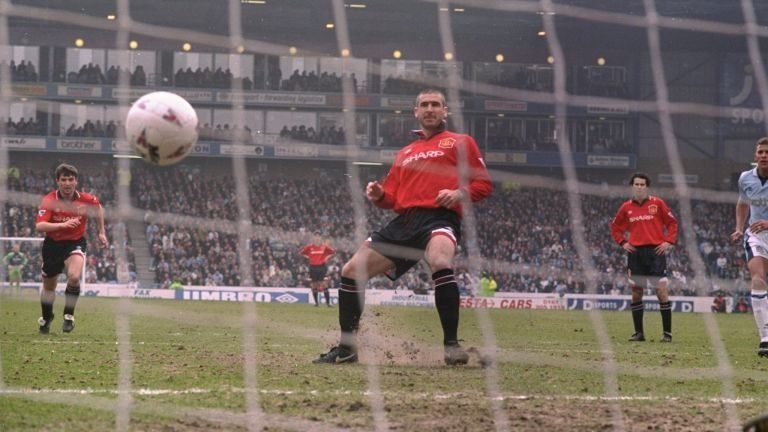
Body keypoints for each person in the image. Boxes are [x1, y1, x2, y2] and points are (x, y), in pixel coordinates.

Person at [313, 89, 492, 365]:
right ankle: (347, 348)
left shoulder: (461, 142)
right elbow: (393, 200)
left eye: (435, 105)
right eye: (424, 105)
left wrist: (458, 194)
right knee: (351, 271)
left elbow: (483, 184)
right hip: (405, 222)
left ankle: (451, 346)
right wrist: (379, 196)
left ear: (446, 111)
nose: (430, 109)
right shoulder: (405, 153)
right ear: (416, 112)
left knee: (440, 261)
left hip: (440, 218)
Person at [35, 163, 107, 334]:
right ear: (57, 182)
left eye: (71, 179)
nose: (67, 183)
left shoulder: (87, 199)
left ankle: (68, 316)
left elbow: (98, 209)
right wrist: (64, 224)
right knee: (49, 288)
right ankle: (46, 317)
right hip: (52, 246)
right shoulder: (49, 200)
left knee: (74, 277)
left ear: (76, 181)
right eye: (64, 179)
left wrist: (102, 232)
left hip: (75, 243)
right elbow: (40, 226)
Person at [610, 172, 678, 343]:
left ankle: (667, 334)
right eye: (637, 184)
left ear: (647, 187)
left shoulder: (658, 203)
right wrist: (623, 242)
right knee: (636, 292)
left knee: (661, 291)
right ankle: (639, 333)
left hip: (656, 252)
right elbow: (616, 227)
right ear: (632, 186)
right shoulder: (626, 207)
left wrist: (668, 241)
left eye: (642, 184)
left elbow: (672, 223)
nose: (639, 187)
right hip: (635, 253)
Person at [731, 137, 768, 357]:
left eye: (767, 152)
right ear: (755, 156)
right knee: (757, 279)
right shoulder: (746, 178)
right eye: (760, 152)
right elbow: (742, 202)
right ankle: (765, 337)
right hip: (756, 237)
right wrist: (738, 227)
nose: (764, 155)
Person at [300, 233, 336, 307]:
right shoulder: (309, 247)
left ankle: (328, 303)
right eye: (315, 237)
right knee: (314, 285)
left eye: (318, 237)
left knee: (324, 284)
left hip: (322, 267)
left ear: (320, 238)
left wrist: (326, 258)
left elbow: (333, 252)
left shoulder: (324, 247)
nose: (317, 238)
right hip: (313, 267)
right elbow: (301, 253)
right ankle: (316, 303)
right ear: (313, 238)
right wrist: (308, 257)